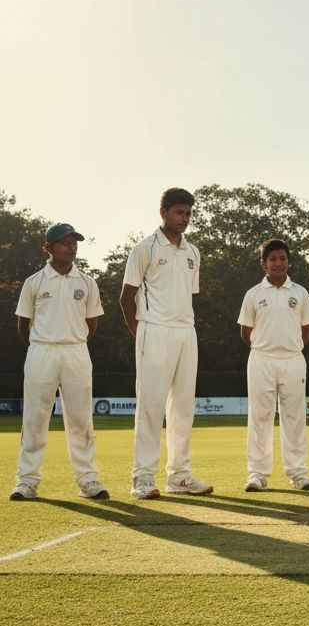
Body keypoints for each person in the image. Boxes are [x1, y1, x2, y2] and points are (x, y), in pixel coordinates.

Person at [119, 188, 212, 499]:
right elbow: (125, 298)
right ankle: (142, 478)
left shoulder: (193, 252)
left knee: (183, 408)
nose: (184, 219)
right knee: (151, 406)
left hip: (186, 331)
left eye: (188, 213)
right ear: (163, 212)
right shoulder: (143, 249)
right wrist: (141, 333)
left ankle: (180, 477)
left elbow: (186, 296)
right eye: (179, 212)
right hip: (153, 331)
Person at [10, 223, 108, 501]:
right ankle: (27, 481)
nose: (72, 247)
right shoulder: (34, 282)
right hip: (41, 351)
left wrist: (73, 342)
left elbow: (92, 323)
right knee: (34, 418)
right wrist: (41, 345)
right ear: (48, 248)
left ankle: (88, 480)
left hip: (76, 351)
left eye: (74, 242)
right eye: (65, 243)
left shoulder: (87, 282)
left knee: (80, 419)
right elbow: (22, 324)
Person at [238, 239, 309, 492]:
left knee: (294, 417)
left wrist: (292, 348)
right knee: (259, 417)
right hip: (261, 359)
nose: (278, 263)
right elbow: (245, 331)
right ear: (264, 264)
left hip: (293, 360)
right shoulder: (253, 294)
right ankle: (257, 475)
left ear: (289, 261)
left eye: (282, 258)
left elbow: (307, 329)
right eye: (273, 259)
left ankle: (298, 474)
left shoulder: (300, 292)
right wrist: (266, 348)